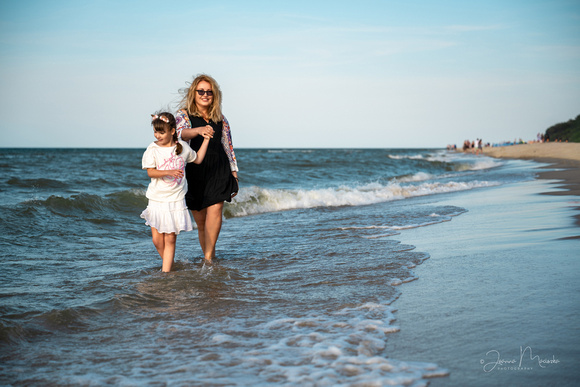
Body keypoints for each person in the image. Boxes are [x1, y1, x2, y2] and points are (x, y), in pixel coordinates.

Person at [176, 74, 239, 263]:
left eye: (209, 92)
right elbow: (179, 134)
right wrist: (198, 131)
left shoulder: (220, 118)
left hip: (218, 168)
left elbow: (228, 146)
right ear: (194, 93)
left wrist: (234, 173)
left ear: (214, 95)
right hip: (194, 171)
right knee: (201, 221)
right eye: (201, 91)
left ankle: (209, 257)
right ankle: (209, 256)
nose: (205, 95)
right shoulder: (183, 114)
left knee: (216, 209)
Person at [141, 112, 211, 272]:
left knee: (170, 239)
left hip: (176, 200)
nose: (157, 135)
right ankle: (170, 266)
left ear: (172, 131)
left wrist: (206, 139)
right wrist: (169, 172)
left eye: (161, 132)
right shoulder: (153, 149)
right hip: (157, 199)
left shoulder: (182, 147)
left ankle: (166, 275)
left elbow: (198, 159)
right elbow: (150, 172)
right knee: (157, 241)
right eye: (155, 132)